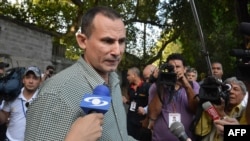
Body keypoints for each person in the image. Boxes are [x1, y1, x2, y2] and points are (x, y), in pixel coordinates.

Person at [24, 6, 136, 141]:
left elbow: (121, 137)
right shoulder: (55, 94)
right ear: (83, 41)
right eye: (107, 41)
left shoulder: (114, 80)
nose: (117, 51)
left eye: (121, 41)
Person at [148, 53, 200, 141]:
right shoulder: (156, 86)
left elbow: (196, 109)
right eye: (171, 67)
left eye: (178, 67)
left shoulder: (193, 85)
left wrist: (186, 85)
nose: (174, 70)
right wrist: (161, 85)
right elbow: (153, 114)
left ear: (184, 69)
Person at [194, 76, 247, 141]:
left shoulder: (246, 113)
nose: (231, 92)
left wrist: (221, 113)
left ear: (243, 95)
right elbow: (200, 132)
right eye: (227, 89)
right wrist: (209, 107)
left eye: (235, 89)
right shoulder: (213, 107)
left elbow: (241, 133)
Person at [0, 66, 42, 141]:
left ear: (40, 81)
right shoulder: (12, 95)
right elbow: (3, 119)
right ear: (23, 80)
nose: (31, 81)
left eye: (35, 78)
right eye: (28, 77)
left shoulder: (43, 98)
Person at [122, 67, 151, 140]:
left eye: (128, 75)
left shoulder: (147, 87)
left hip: (142, 122)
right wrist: (126, 101)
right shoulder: (130, 87)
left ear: (134, 75)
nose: (127, 77)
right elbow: (131, 101)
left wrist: (146, 112)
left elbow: (152, 103)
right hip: (130, 119)